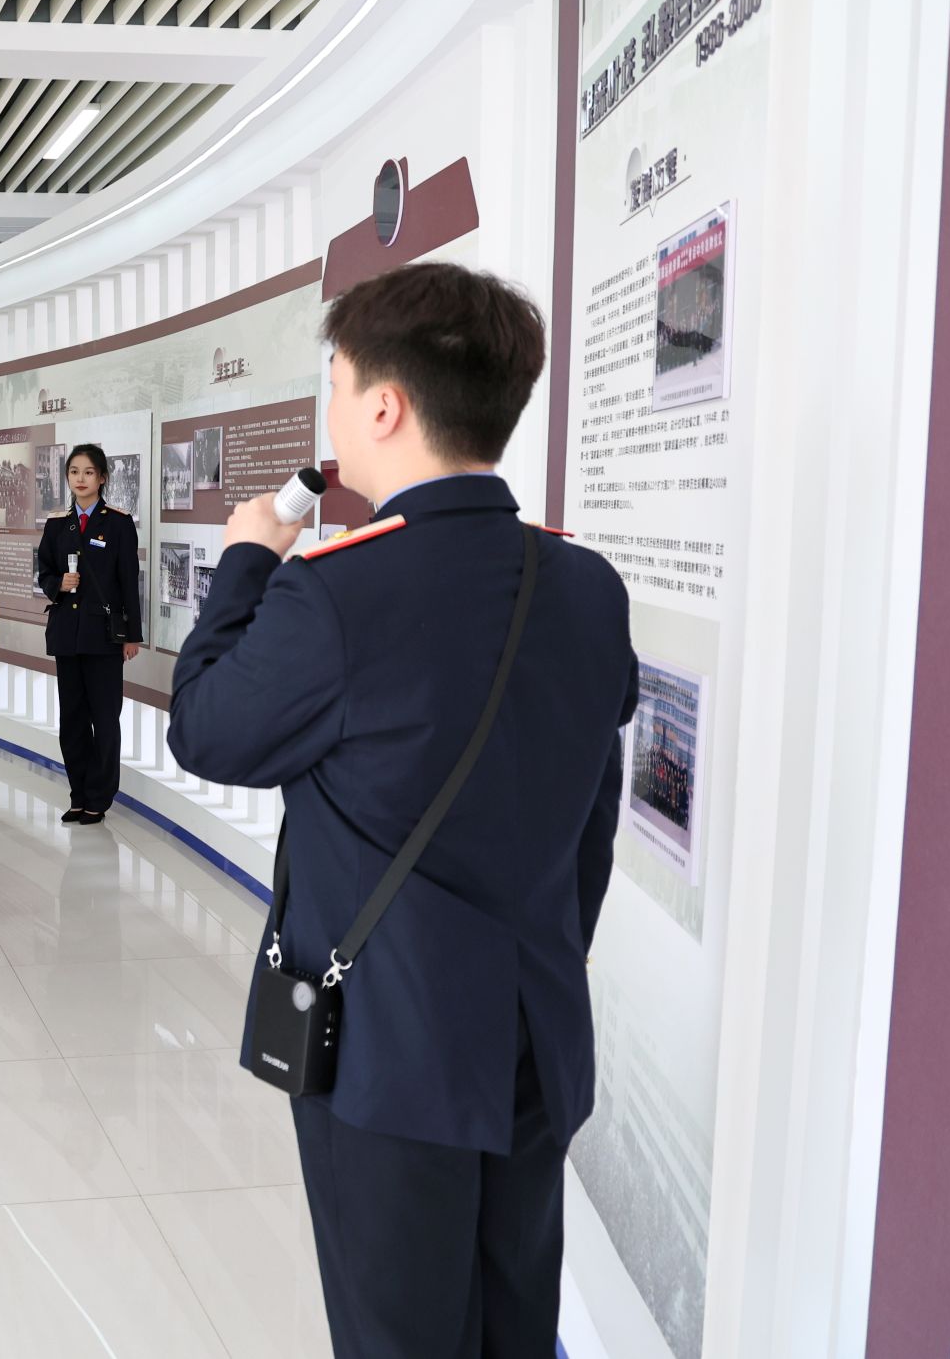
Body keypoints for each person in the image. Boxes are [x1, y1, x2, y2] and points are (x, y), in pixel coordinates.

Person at [166, 262, 638, 1359]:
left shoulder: (337, 591)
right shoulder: (584, 585)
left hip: (388, 1055)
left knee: (399, 1334)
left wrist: (245, 560)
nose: (333, 411)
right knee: (515, 1321)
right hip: (535, 1038)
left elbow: (203, 729)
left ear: (383, 406)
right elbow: (592, 815)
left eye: (335, 385)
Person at [35, 443, 143, 825]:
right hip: (67, 636)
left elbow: (129, 582)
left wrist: (132, 635)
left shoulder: (118, 523)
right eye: (74, 472)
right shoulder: (56, 524)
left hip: (104, 637)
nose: (80, 479)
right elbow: (43, 573)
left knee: (105, 720)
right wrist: (58, 585)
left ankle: (99, 797)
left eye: (88, 472)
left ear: (102, 478)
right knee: (72, 721)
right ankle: (78, 795)